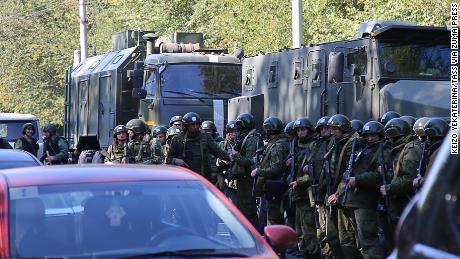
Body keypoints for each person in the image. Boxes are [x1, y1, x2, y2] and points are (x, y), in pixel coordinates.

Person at [340, 121, 388, 259]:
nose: (370, 138)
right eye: (367, 135)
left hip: (365, 201)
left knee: (369, 241)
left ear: (380, 135)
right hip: (353, 199)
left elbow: (379, 176)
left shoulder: (382, 150)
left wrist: (358, 179)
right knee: (360, 241)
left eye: (373, 135)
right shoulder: (362, 149)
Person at [326, 114, 362, 259]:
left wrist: (338, 193)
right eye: (331, 129)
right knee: (338, 236)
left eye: (335, 129)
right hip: (339, 194)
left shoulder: (353, 143)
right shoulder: (338, 142)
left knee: (349, 237)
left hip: (348, 196)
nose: (332, 132)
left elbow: (349, 172)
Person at [288, 117, 321, 259]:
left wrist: (299, 181)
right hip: (297, 192)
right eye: (298, 130)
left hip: (308, 192)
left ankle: (313, 253)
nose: (300, 133)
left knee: (309, 227)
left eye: (303, 129)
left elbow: (316, 172)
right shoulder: (296, 145)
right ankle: (304, 251)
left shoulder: (314, 145)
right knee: (299, 226)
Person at [165, 112, 231, 180]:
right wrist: (175, 160)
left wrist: (232, 157)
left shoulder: (206, 137)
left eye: (197, 124)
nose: (195, 127)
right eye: (192, 125)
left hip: (203, 177)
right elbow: (168, 159)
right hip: (184, 177)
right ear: (186, 126)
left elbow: (219, 152)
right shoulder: (177, 139)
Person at [251, 116, 290, 225]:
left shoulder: (277, 145)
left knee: (273, 218)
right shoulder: (281, 142)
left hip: (275, 185)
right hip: (278, 185)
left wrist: (258, 171)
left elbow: (275, 168)